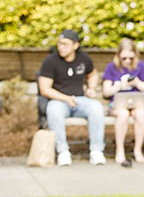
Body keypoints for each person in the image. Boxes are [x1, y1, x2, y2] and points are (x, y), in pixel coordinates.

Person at [37, 29, 106, 167]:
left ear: (75, 45)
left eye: (65, 44)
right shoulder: (50, 61)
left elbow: (92, 74)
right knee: (53, 110)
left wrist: (91, 88)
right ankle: (63, 152)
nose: (60, 47)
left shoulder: (84, 59)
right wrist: (66, 98)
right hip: (59, 101)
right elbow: (44, 89)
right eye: (59, 43)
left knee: (96, 107)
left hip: (80, 100)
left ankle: (96, 151)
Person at [102, 38, 144, 167]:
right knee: (123, 115)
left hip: (136, 103)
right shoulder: (111, 68)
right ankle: (120, 150)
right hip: (117, 105)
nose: (128, 61)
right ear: (118, 56)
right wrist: (118, 86)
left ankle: (137, 150)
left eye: (131, 58)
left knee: (141, 114)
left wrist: (137, 82)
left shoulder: (140, 66)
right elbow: (106, 92)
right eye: (124, 58)